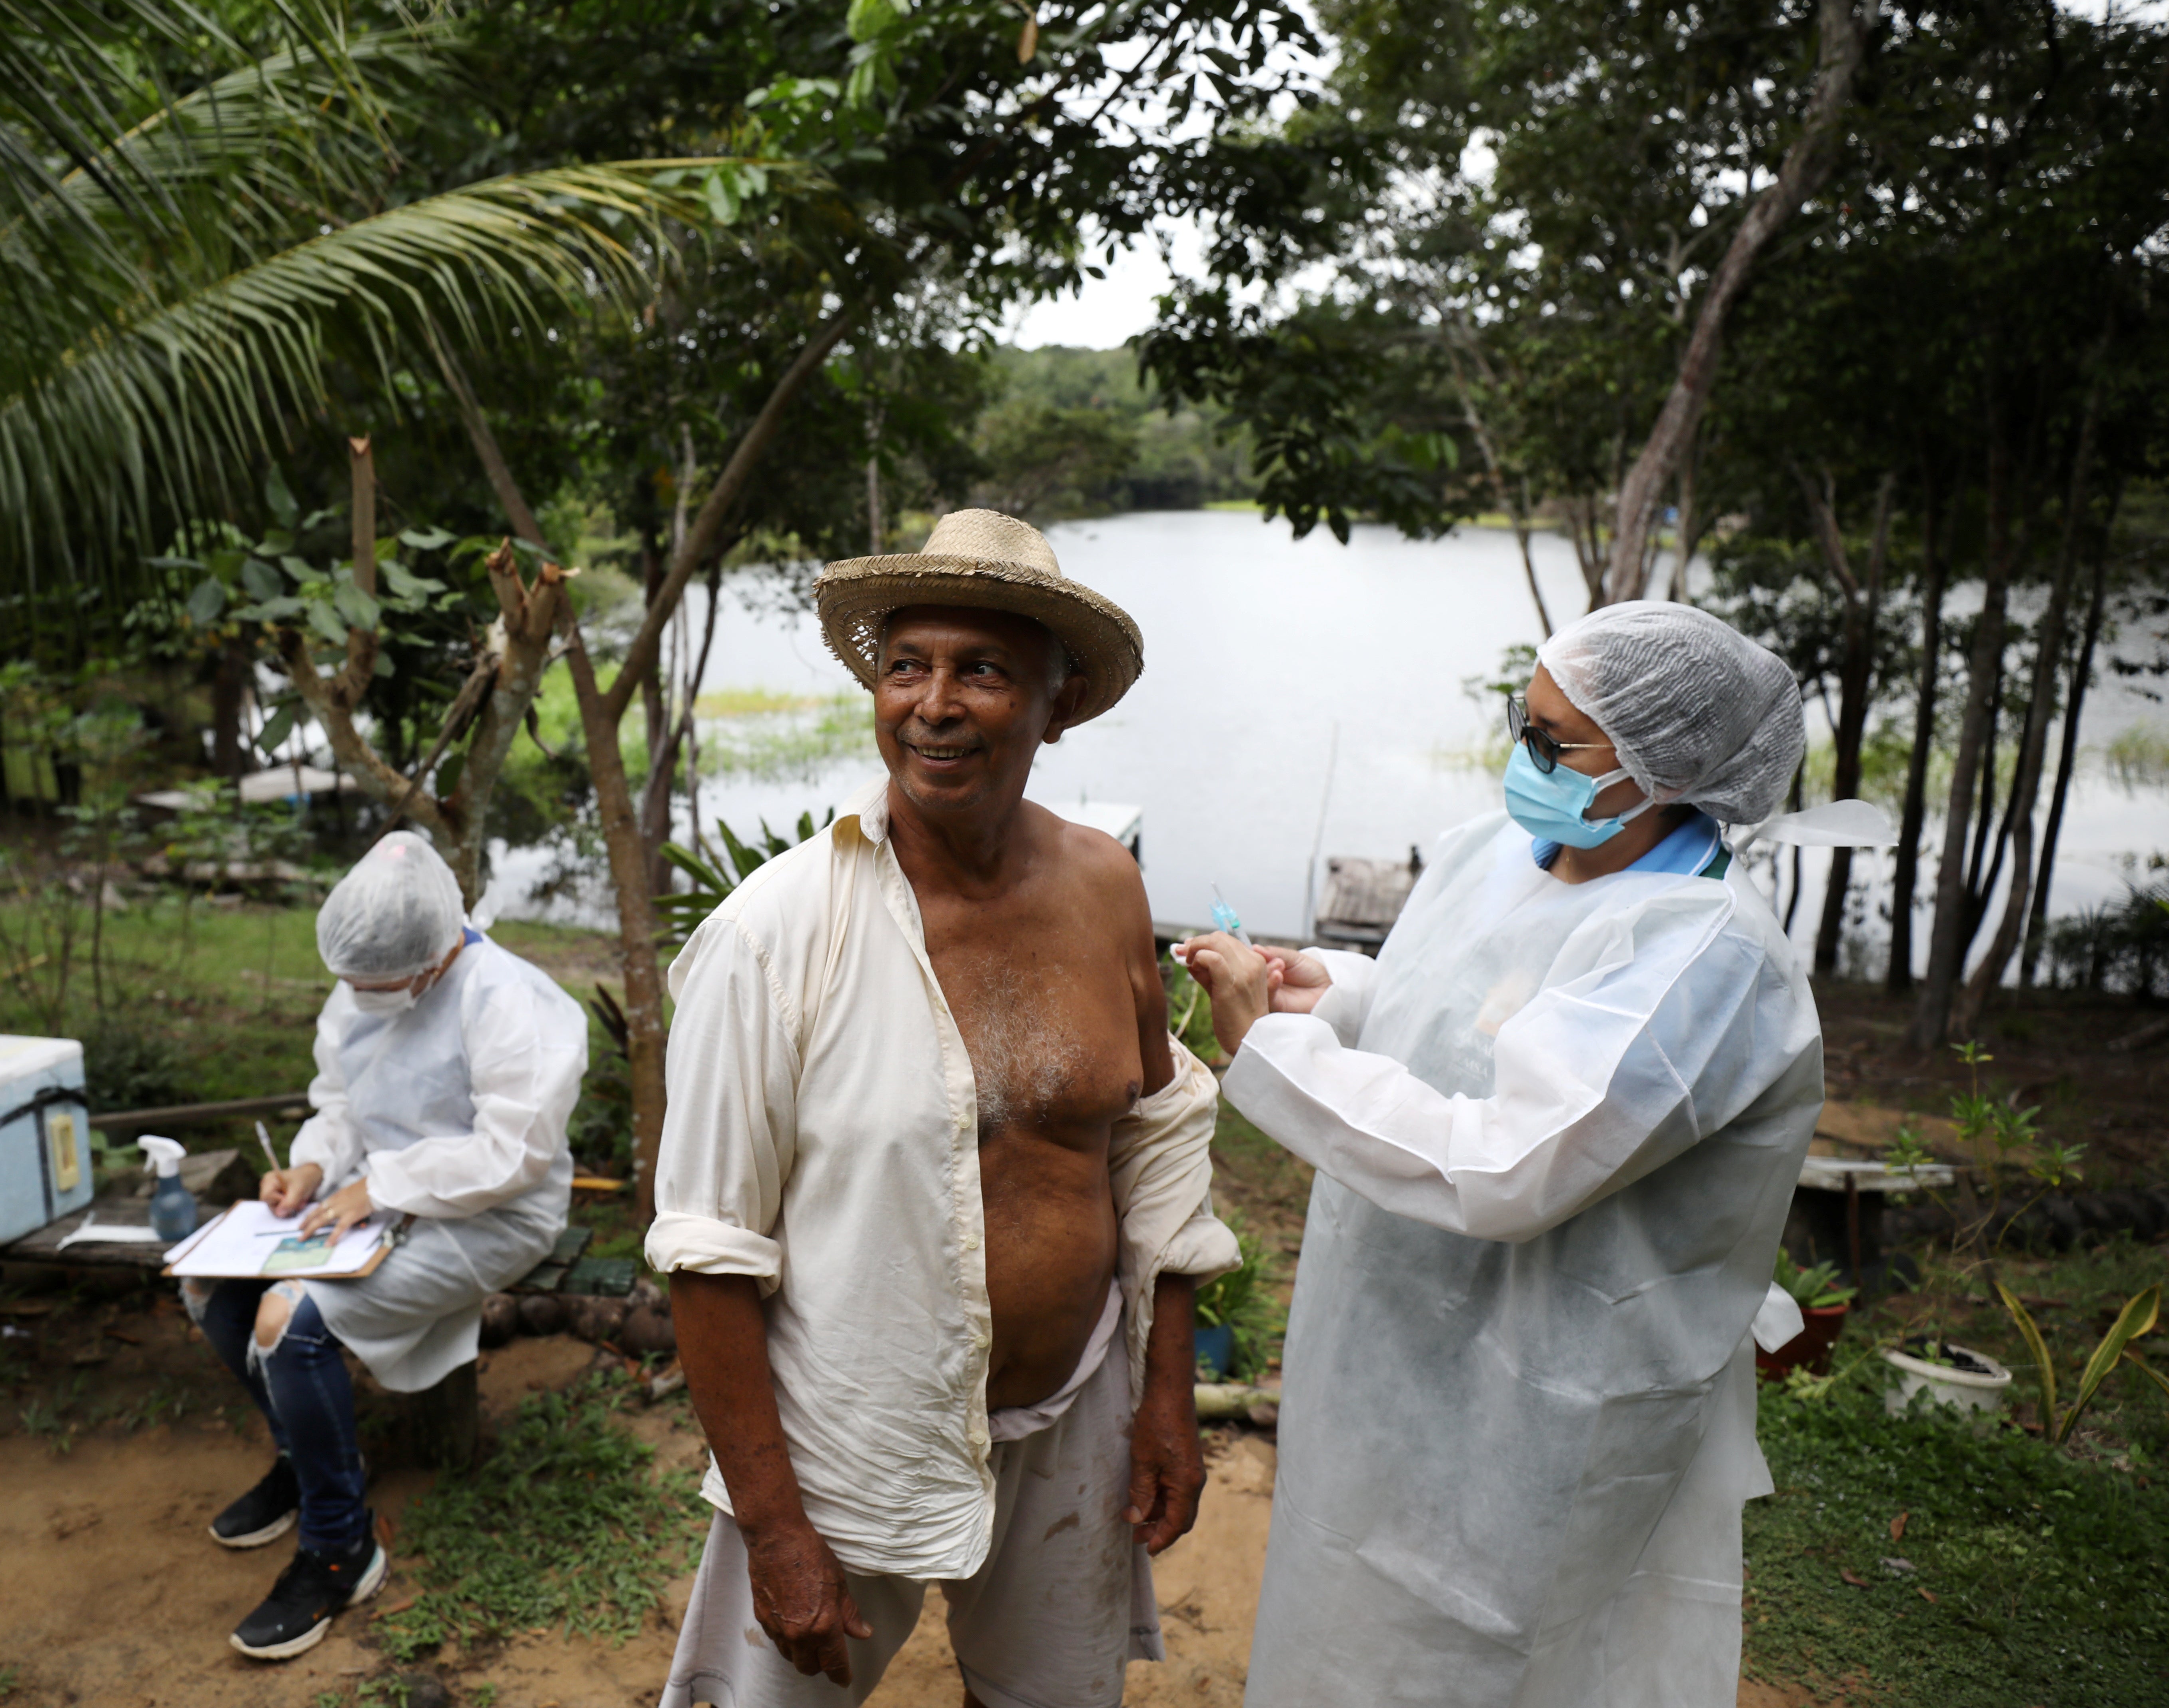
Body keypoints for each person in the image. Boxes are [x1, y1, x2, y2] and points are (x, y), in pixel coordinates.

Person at [1179, 601, 1841, 1708]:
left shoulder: (1700, 956)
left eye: (1554, 743)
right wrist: (1332, 995)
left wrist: (1278, 1052)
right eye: (1521, 726)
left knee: (1491, 1655)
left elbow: (1507, 1159)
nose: (1522, 760)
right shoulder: (1498, 851)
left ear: (1667, 767)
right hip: (1387, 1355)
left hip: (1546, 1402)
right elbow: (1456, 1015)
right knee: (1340, 1611)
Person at [650, 509, 1239, 1708]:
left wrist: (1164, 1392)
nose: (934, 703)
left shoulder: (1104, 884)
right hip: (845, 1435)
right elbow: (707, 1252)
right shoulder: (775, 935)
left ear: (1056, 705)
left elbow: (1158, 1133)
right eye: (907, 666)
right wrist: (773, 1527)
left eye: (983, 671)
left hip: (1074, 1411)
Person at [185, 831, 587, 1662]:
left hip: (493, 1214)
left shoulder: (510, 1000)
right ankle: (307, 1458)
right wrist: (312, 1163)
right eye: (353, 983)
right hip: (373, 1196)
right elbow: (341, 1096)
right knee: (213, 1288)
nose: (360, 997)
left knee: (287, 1319)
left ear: (435, 956)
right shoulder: (367, 981)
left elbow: (514, 1153)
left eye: (379, 985)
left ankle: (341, 1548)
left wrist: (383, 1185)